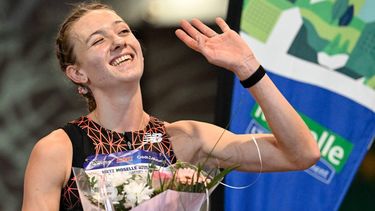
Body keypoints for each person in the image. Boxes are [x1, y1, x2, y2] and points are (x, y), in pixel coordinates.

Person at [22, 2, 320, 211]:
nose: (118, 42)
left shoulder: (186, 139)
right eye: (98, 40)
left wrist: (248, 68)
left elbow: (302, 153)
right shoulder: (58, 150)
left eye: (123, 31)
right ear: (77, 73)